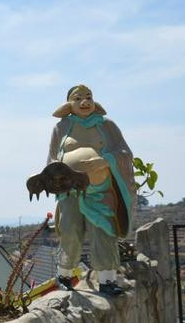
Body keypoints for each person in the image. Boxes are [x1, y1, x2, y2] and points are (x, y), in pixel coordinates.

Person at [47, 85, 135, 297]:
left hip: (100, 191)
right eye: (78, 98)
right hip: (71, 192)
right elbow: (52, 158)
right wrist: (57, 177)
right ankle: (64, 275)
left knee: (103, 231)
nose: (85, 102)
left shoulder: (107, 126)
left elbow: (125, 152)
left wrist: (105, 160)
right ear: (69, 104)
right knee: (70, 230)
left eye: (89, 97)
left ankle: (107, 280)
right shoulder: (62, 127)